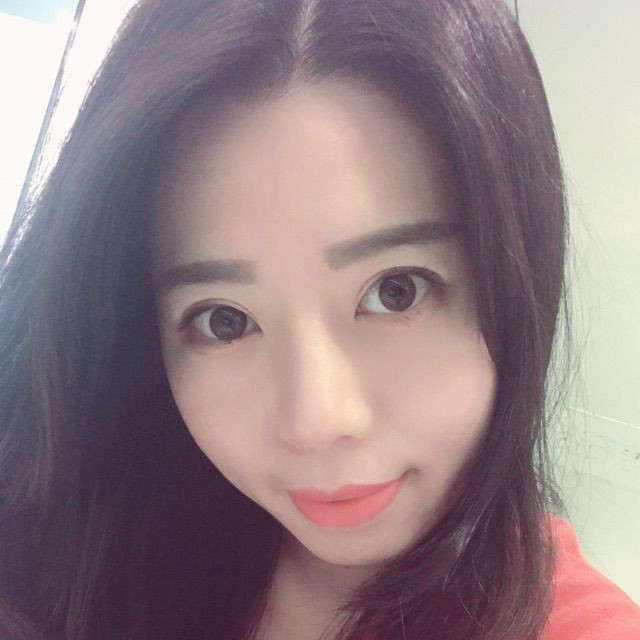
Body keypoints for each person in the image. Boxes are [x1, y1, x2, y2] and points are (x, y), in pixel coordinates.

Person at [0, 0, 638, 638]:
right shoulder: (85, 546)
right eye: (224, 321)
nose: (315, 423)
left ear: (515, 277)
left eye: (396, 291)